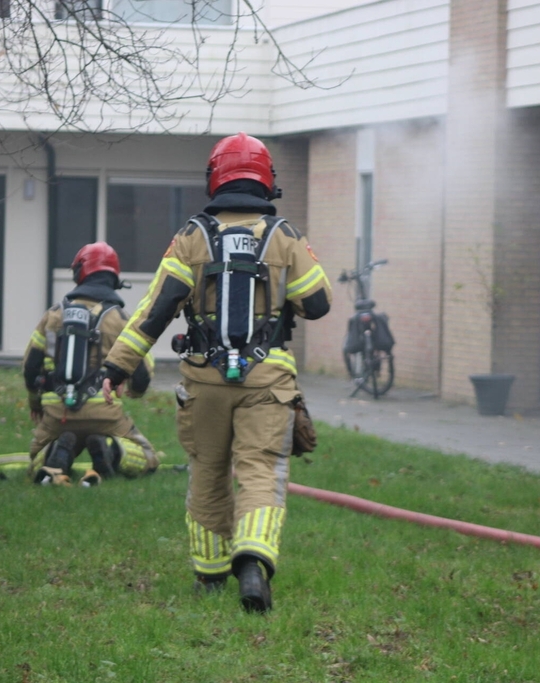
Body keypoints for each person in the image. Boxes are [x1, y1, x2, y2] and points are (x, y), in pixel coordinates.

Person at [100, 132, 332, 613]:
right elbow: (318, 304)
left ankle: (209, 578)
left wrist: (117, 366)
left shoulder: (190, 238)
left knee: (207, 472)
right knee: (261, 470)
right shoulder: (285, 236)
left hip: (203, 381)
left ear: (215, 177)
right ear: (267, 179)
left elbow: (156, 309)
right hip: (268, 382)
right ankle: (253, 562)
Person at [22, 242, 160, 487]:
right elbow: (142, 375)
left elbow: (30, 366)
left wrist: (36, 402)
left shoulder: (53, 315)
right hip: (106, 415)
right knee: (148, 457)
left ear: (80, 273)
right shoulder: (121, 320)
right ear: (113, 277)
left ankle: (56, 451)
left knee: (35, 462)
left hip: (58, 414)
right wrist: (134, 391)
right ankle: (111, 449)